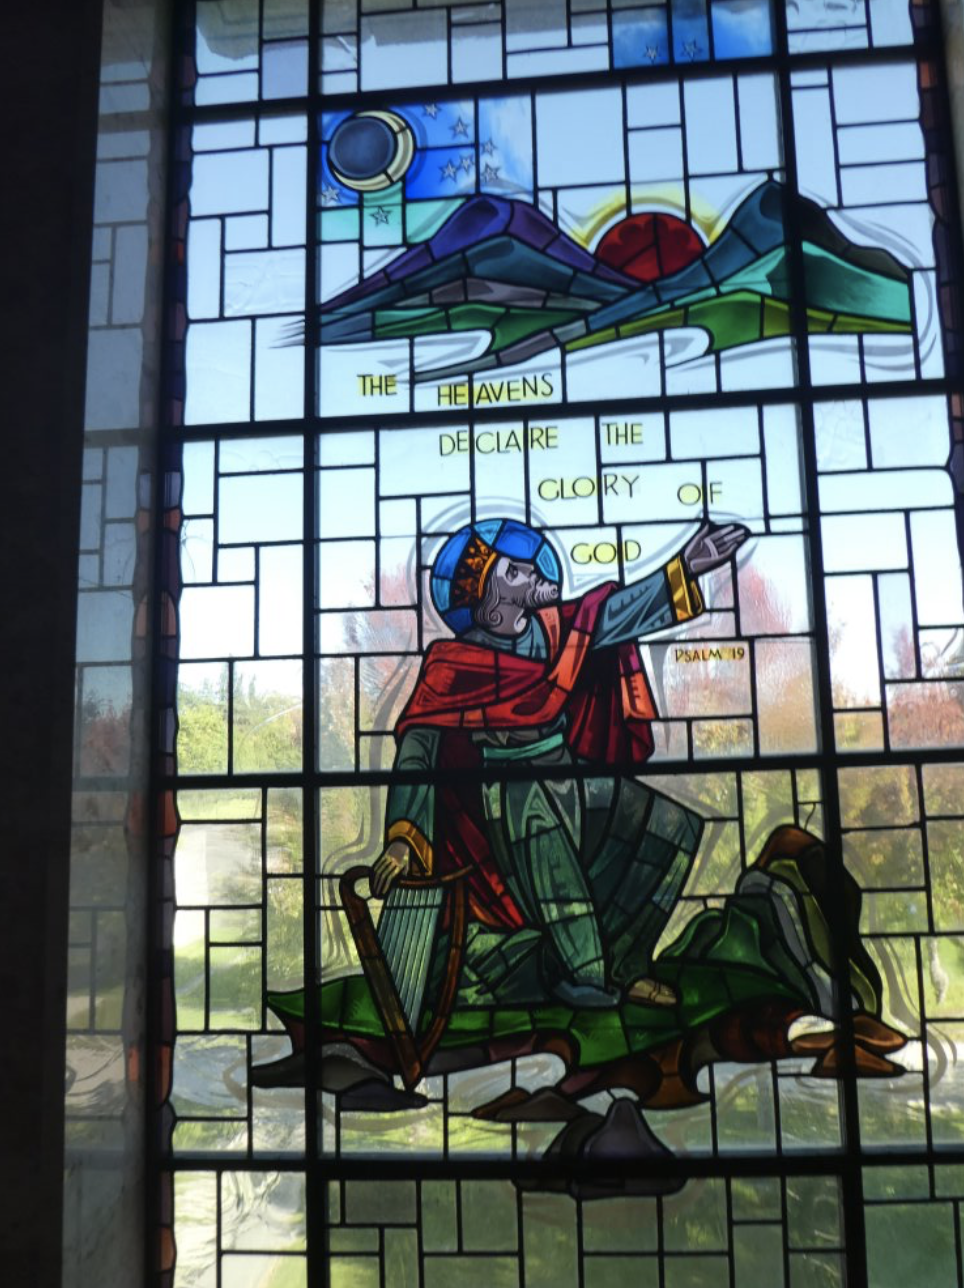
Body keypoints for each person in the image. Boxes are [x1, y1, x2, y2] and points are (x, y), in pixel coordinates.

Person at [370, 516, 749, 1011]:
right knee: (542, 837)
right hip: (504, 789)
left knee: (669, 826)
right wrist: (402, 840)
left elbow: (620, 613)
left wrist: (686, 567)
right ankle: (585, 977)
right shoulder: (452, 664)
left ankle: (627, 963)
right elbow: (419, 751)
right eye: (521, 569)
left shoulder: (558, 631)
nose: (537, 572)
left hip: (566, 768)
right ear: (495, 587)